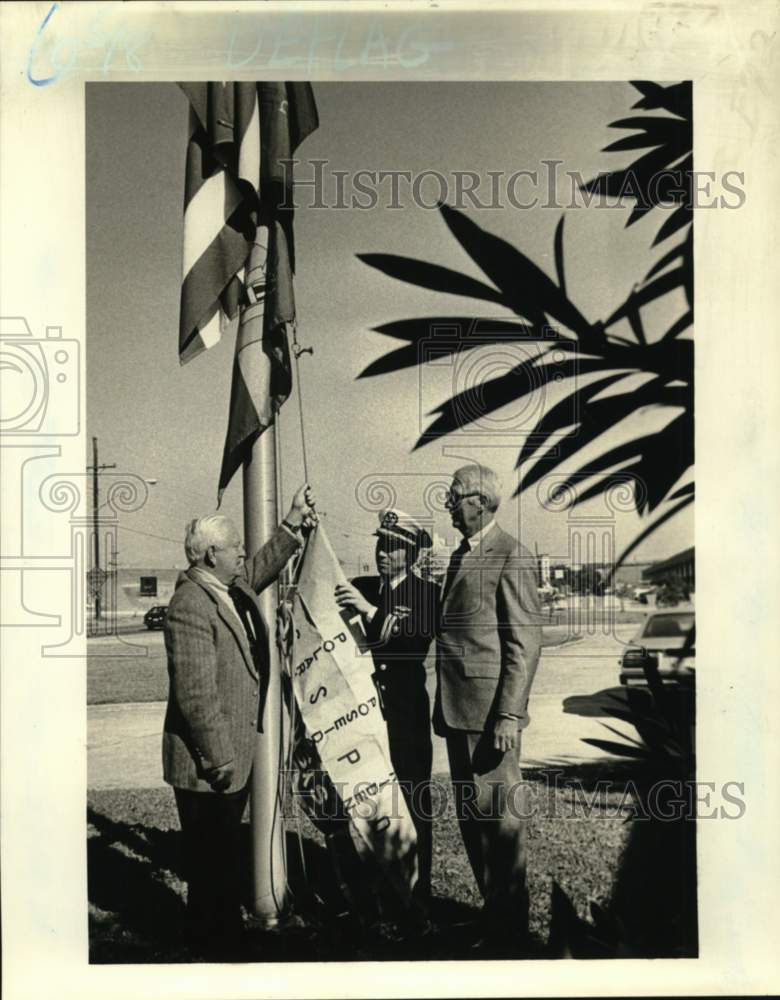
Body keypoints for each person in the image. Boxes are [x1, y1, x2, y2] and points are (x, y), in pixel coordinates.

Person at [162, 484, 316, 958]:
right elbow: (196, 695)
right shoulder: (190, 603)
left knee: (222, 860)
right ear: (210, 554)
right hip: (211, 763)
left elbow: (259, 568)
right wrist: (220, 759)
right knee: (210, 865)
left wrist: (291, 525)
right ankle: (214, 949)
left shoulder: (225, 588)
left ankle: (221, 938)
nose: (241, 555)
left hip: (230, 759)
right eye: (233, 549)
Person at [435, 464, 542, 955]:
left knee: (500, 825)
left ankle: (511, 932)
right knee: (472, 821)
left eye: (455, 497)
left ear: (480, 501)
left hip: (489, 717)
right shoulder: (462, 554)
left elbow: (524, 642)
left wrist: (508, 714)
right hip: (458, 712)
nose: (450, 505)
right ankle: (492, 920)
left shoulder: (511, 555)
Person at [334, 509, 439, 910]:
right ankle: (371, 888)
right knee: (365, 795)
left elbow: (408, 645)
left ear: (411, 555)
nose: (383, 553)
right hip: (363, 711)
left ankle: (417, 889)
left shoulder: (426, 594)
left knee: (412, 797)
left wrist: (368, 610)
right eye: (380, 544)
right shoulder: (362, 586)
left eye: (393, 547)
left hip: (404, 711)